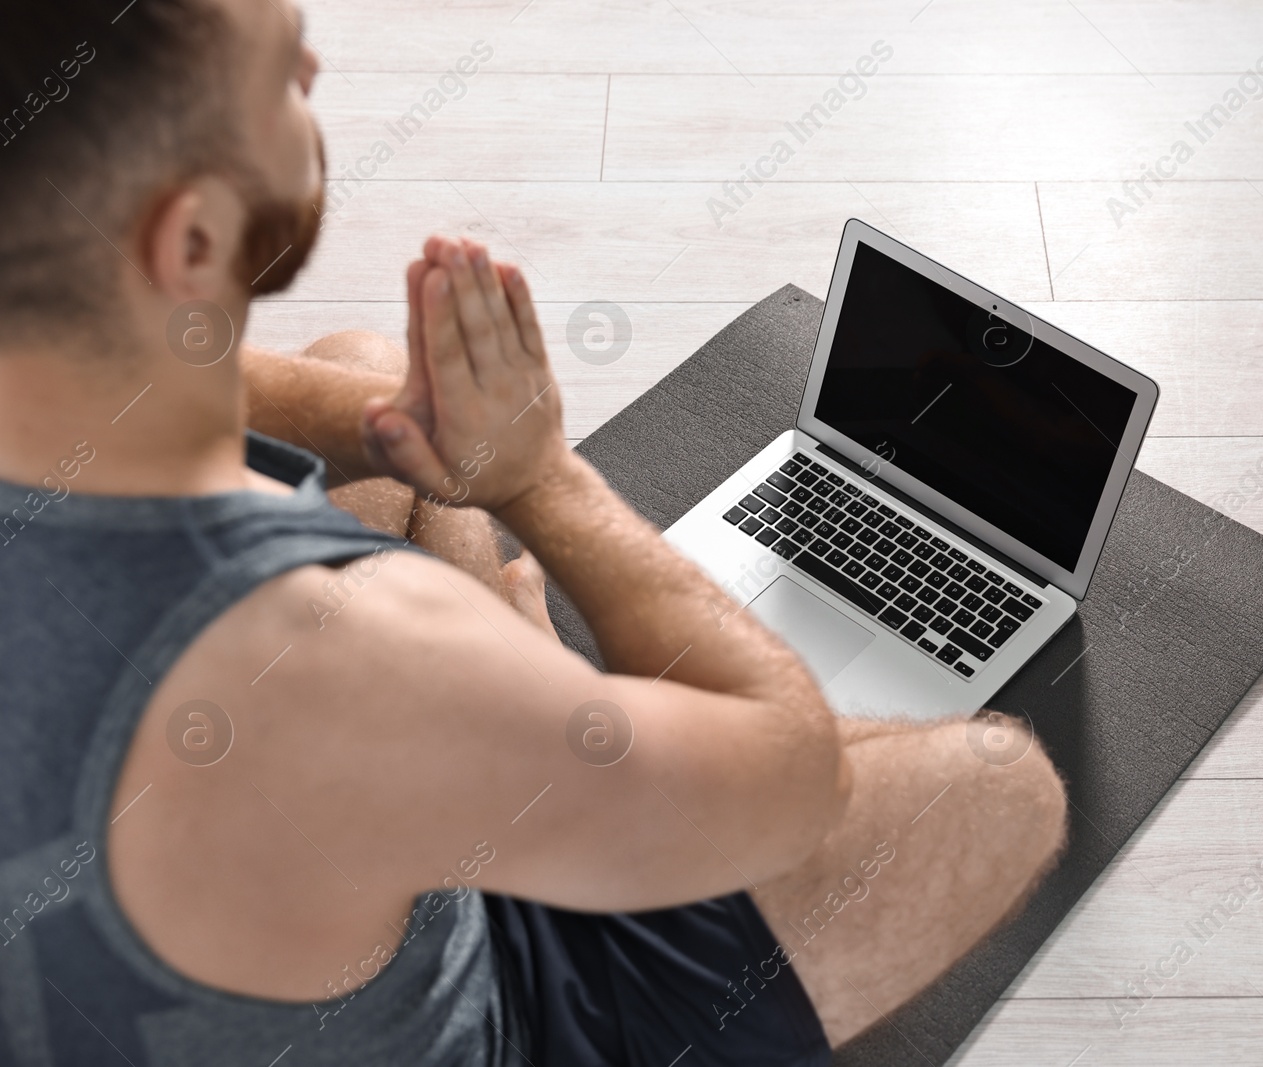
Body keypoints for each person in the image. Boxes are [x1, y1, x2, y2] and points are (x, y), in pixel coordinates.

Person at [0, 1, 1067, 1063]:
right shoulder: (351, 660)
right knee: (998, 782)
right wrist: (539, 475)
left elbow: (146, 373)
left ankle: (536, 741)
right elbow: (793, 784)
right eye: (282, 73)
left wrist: (403, 426)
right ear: (189, 239)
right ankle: (548, 731)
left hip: (249, 905)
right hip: (522, 1008)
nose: (315, 66)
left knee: (361, 363)